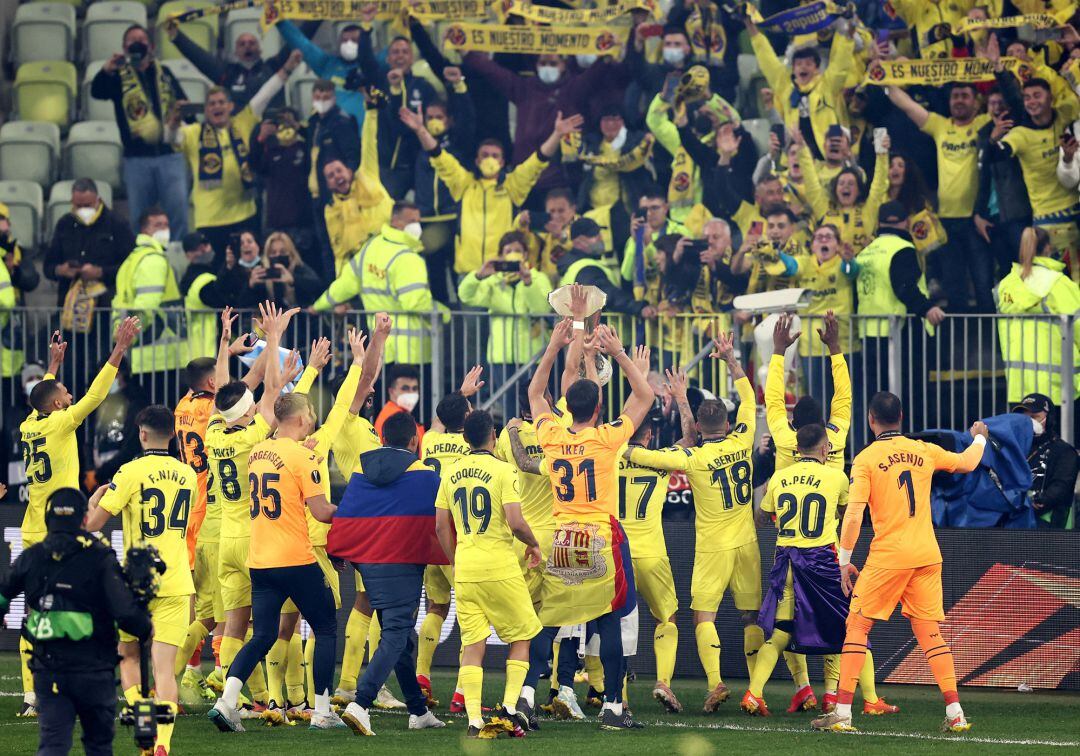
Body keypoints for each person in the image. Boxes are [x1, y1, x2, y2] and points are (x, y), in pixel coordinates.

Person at [811, 393, 989, 733]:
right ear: (902, 417)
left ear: (871, 419)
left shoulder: (865, 459)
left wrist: (844, 560)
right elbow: (968, 462)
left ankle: (843, 713)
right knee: (930, 633)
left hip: (889, 557)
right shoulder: (924, 450)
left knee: (857, 627)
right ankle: (956, 713)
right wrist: (980, 435)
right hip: (926, 555)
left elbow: (854, 513)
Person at [625, 333, 776, 713]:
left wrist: (618, 446)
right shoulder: (742, 440)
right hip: (747, 544)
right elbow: (749, 400)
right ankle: (754, 692)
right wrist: (731, 360)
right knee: (750, 616)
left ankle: (716, 682)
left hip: (713, 547)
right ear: (727, 422)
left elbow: (652, 455)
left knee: (701, 616)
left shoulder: (693, 459)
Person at [526, 300, 655, 731]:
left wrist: (553, 346)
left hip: (561, 539)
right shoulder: (606, 438)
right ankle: (614, 706)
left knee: (549, 621)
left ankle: (526, 694)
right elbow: (645, 397)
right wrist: (618, 353)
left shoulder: (550, 434)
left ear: (566, 404)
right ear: (598, 408)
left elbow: (534, 392)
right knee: (611, 620)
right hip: (599, 539)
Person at [18, 320, 139, 715]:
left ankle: (32, 694)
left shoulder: (29, 425)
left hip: (32, 526)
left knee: (38, 609)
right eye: (64, 392)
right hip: (62, 531)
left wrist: (53, 367)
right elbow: (95, 394)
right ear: (58, 404)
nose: (70, 395)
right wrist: (118, 349)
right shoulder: (61, 421)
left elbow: (43, 398)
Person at [207, 387, 342, 732]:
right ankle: (323, 711)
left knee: (262, 636)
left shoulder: (258, 451)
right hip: (295, 559)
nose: (313, 418)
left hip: (260, 561)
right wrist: (360, 513)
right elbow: (323, 512)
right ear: (299, 418)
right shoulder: (303, 457)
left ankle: (227, 702)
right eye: (310, 413)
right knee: (326, 627)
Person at [744, 424, 897, 718]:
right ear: (825, 448)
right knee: (855, 629)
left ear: (796, 449)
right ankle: (871, 699)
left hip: (786, 561)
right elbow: (847, 514)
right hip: (821, 564)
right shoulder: (836, 477)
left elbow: (761, 517)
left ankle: (753, 693)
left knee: (780, 633)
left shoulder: (780, 477)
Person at [0, 488, 151, 756]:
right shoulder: (101, 557)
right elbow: (127, 615)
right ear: (84, 519)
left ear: (47, 519)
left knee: (53, 745)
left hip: (50, 671)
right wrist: (145, 626)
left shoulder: (32, 556)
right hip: (94, 671)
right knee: (98, 746)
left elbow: (3, 593)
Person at [86, 405, 197, 756]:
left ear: (142, 434)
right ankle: (162, 745)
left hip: (135, 583)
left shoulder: (129, 472)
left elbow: (92, 525)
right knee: (164, 670)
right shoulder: (188, 474)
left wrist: (92, 501)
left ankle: (141, 718)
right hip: (177, 580)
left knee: (128, 656)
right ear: (174, 435)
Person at [328, 411, 447, 736]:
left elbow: (349, 512)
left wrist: (338, 551)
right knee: (395, 633)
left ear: (382, 440)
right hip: (403, 564)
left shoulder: (362, 472)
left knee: (400, 637)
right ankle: (360, 703)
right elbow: (441, 518)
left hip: (369, 564)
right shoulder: (425, 476)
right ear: (414, 441)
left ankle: (418, 710)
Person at [206, 303, 296, 714]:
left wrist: (225, 342)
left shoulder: (213, 433)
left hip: (224, 536)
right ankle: (269, 694)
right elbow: (274, 392)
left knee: (234, 629)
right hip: (253, 541)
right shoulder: (252, 437)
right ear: (247, 411)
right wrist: (274, 336)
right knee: (264, 627)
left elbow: (223, 392)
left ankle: (247, 701)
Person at [434, 409, 544, 737]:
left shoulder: (451, 472)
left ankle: (473, 720)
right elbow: (515, 521)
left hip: (466, 567)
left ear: (465, 438)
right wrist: (533, 543)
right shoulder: (503, 470)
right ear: (493, 435)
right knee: (523, 635)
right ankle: (510, 708)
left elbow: (441, 525)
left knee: (473, 644)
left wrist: (456, 559)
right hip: (500, 566)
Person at [401, 108, 583, 275]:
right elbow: (439, 157)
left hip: (502, 272)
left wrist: (557, 134)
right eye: (485, 155)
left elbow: (537, 162)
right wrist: (420, 130)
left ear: (503, 162)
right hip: (470, 273)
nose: (490, 159)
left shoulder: (513, 186)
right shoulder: (464, 184)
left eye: (495, 156)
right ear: (477, 161)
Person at [167, 55, 300, 258]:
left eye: (221, 102)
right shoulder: (194, 132)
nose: (216, 107)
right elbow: (169, 137)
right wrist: (175, 121)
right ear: (206, 109)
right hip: (210, 219)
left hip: (244, 214)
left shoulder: (243, 122)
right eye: (211, 104)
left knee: (247, 270)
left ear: (230, 106)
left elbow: (264, 94)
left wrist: (287, 70)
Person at [618, 367, 691, 713]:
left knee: (613, 622)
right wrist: (680, 396)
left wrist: (635, 378)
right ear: (649, 437)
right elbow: (692, 439)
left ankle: (618, 697)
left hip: (615, 552)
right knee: (667, 619)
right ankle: (663, 681)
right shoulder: (659, 461)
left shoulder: (608, 455)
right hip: (651, 553)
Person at [888, 83, 994, 312]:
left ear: (977, 102)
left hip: (976, 220)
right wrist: (886, 77)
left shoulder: (984, 123)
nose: (959, 100)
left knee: (984, 284)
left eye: (965, 95)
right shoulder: (940, 125)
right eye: (955, 95)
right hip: (946, 221)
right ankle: (959, 344)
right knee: (954, 287)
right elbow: (906, 104)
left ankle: (993, 343)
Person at [90, 24, 189, 237]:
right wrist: (107, 69)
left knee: (178, 214)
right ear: (124, 47)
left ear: (151, 46)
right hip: (137, 159)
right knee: (139, 218)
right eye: (132, 41)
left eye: (142, 40)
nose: (137, 44)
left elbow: (184, 104)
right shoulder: (118, 76)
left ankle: (179, 260)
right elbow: (96, 92)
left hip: (170, 155)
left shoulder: (165, 73)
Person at [312, 202, 439, 367]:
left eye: (418, 221)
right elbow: (415, 303)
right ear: (395, 221)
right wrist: (442, 311)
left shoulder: (370, 248)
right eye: (411, 221)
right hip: (412, 351)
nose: (417, 226)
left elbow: (344, 285)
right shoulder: (409, 258)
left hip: (380, 348)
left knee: (381, 391)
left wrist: (318, 306)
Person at [44, 178, 135, 392]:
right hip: (70, 312)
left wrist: (101, 272)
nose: (82, 209)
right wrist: (61, 270)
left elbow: (130, 264)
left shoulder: (116, 223)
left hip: (105, 310)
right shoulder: (65, 223)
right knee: (72, 366)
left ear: (98, 199)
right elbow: (49, 265)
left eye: (87, 205)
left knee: (101, 365)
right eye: (78, 205)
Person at [457, 232, 554, 418]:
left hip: (531, 355)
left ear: (525, 255)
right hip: (500, 355)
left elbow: (541, 307)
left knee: (534, 402)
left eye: (518, 250)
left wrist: (527, 282)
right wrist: (478, 275)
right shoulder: (493, 281)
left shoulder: (537, 278)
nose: (513, 254)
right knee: (508, 406)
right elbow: (465, 295)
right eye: (508, 251)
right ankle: (511, 440)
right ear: (501, 255)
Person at [993, 77, 1080, 272]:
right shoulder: (1021, 135)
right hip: (1049, 221)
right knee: (1057, 282)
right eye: (1027, 98)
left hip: (1076, 212)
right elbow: (998, 153)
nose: (1031, 102)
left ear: (1051, 98)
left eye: (1037, 96)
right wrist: (993, 139)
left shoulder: (1064, 115)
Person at [746, 15, 854, 161]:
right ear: (793, 69)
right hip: (796, 160)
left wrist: (849, 35)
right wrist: (750, 26)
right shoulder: (785, 86)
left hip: (825, 159)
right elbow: (766, 58)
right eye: (798, 64)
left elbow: (841, 64)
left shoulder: (827, 86)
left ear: (817, 69)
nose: (803, 67)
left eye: (808, 64)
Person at [995, 226, 1080, 408]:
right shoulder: (1058, 282)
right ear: (1048, 248)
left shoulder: (1006, 285)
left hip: (1019, 387)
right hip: (1058, 387)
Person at [110, 207, 183, 402]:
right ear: (144, 230)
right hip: (159, 352)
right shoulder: (153, 260)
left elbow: (120, 303)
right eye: (158, 225)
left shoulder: (132, 259)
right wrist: (134, 336)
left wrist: (123, 337)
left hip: (140, 353)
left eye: (166, 225)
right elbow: (146, 307)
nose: (164, 229)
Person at [765, 312, 851, 471]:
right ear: (823, 423)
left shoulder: (783, 438)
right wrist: (834, 346)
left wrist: (778, 349)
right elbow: (843, 396)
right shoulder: (836, 439)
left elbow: (773, 399)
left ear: (793, 425)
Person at [321, 92, 394, 274]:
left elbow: (369, 141)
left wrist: (370, 112)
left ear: (348, 170)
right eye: (330, 176)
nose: (337, 176)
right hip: (360, 268)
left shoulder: (366, 176)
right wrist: (340, 291)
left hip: (389, 255)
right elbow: (340, 253)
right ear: (328, 185)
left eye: (339, 170)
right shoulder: (331, 210)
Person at [166, 19, 299, 109]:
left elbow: (299, 39)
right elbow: (198, 56)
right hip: (237, 137)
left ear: (260, 49)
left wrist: (316, 14)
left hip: (271, 135)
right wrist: (177, 36)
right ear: (235, 51)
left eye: (252, 43)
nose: (247, 46)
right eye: (242, 44)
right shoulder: (226, 73)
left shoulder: (273, 66)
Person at [562, 218, 655, 318]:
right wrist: (639, 307)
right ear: (579, 242)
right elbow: (608, 295)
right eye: (593, 235)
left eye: (599, 233)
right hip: (592, 331)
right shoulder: (586, 268)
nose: (600, 238)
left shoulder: (576, 266)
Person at [1012, 393, 1080, 529]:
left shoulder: (1064, 451)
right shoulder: (1015, 448)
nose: (1028, 422)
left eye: (1034, 417)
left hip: (1048, 527)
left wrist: (1036, 501)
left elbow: (1060, 488)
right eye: (1024, 418)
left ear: (1049, 419)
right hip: (1014, 520)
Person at [179, 232, 235, 361]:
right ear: (188, 255)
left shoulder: (208, 273)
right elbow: (220, 299)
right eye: (197, 249)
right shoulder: (198, 279)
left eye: (205, 245)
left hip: (207, 347)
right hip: (207, 349)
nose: (204, 250)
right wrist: (228, 269)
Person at [373, 365, 424, 446]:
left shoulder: (396, 413)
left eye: (414, 388)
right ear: (391, 391)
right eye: (405, 388)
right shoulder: (394, 419)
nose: (411, 393)